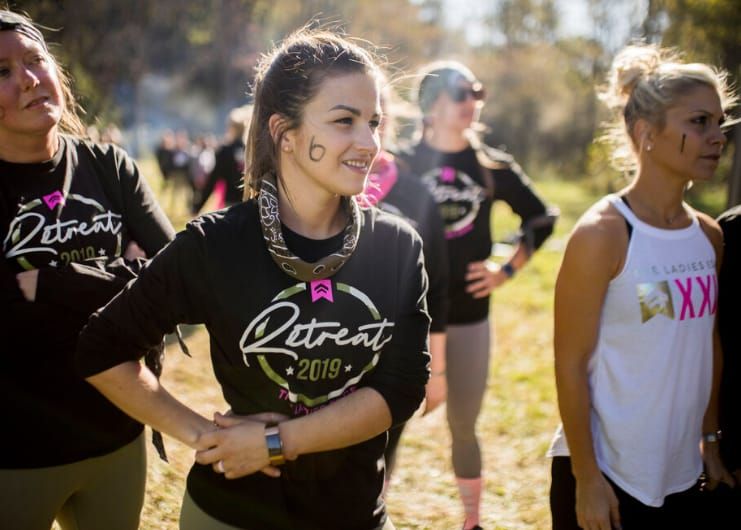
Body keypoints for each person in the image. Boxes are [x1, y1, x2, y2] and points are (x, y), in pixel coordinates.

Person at [75, 28, 430, 530]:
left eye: (374, 122)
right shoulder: (217, 244)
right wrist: (206, 436)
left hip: (352, 513)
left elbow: (403, 388)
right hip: (229, 513)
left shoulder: (396, 246)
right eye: (344, 121)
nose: (369, 143)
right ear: (285, 133)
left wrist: (276, 442)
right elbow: (101, 348)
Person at [547, 43, 737, 530]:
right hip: (606, 476)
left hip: (682, 474)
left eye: (720, 122)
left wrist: (709, 443)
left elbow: (705, 345)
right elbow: (569, 367)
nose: (717, 137)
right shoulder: (602, 234)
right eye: (699, 122)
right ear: (646, 133)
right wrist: (588, 479)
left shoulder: (708, 236)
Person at [0, 10, 175, 530]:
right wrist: (123, 274)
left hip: (116, 437)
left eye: (35, 60)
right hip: (14, 451)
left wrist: (46, 282)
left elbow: (172, 286)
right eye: (1, 72)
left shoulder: (107, 166)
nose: (29, 79)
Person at [401, 60, 556, 529]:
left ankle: (472, 521)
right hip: (398, 316)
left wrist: (505, 270)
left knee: (463, 425)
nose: (472, 102)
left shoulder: (491, 169)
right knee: (383, 424)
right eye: (460, 93)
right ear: (431, 104)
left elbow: (542, 218)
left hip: (470, 318)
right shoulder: (400, 164)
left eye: (476, 93)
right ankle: (366, 511)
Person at [360, 76, 449, 488]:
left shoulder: (416, 194)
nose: (367, 130)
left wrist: (438, 368)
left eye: (376, 118)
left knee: (376, 466)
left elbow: (438, 284)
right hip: (318, 344)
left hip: (392, 355)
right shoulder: (315, 186)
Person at [191, 106, 250, 215]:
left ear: (232, 128)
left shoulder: (225, 151)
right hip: (249, 203)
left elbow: (214, 178)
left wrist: (198, 205)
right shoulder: (251, 150)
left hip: (231, 203)